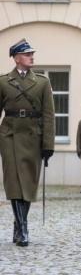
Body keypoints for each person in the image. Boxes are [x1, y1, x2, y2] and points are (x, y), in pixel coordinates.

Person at [0, 39, 55, 247]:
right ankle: (23, 228)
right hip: (9, 136)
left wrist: (48, 144)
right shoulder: (3, 81)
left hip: (34, 136)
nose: (31, 57)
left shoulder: (42, 82)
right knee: (14, 182)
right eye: (27, 54)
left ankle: (19, 224)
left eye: (32, 53)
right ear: (16, 58)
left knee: (29, 183)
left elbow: (49, 115)